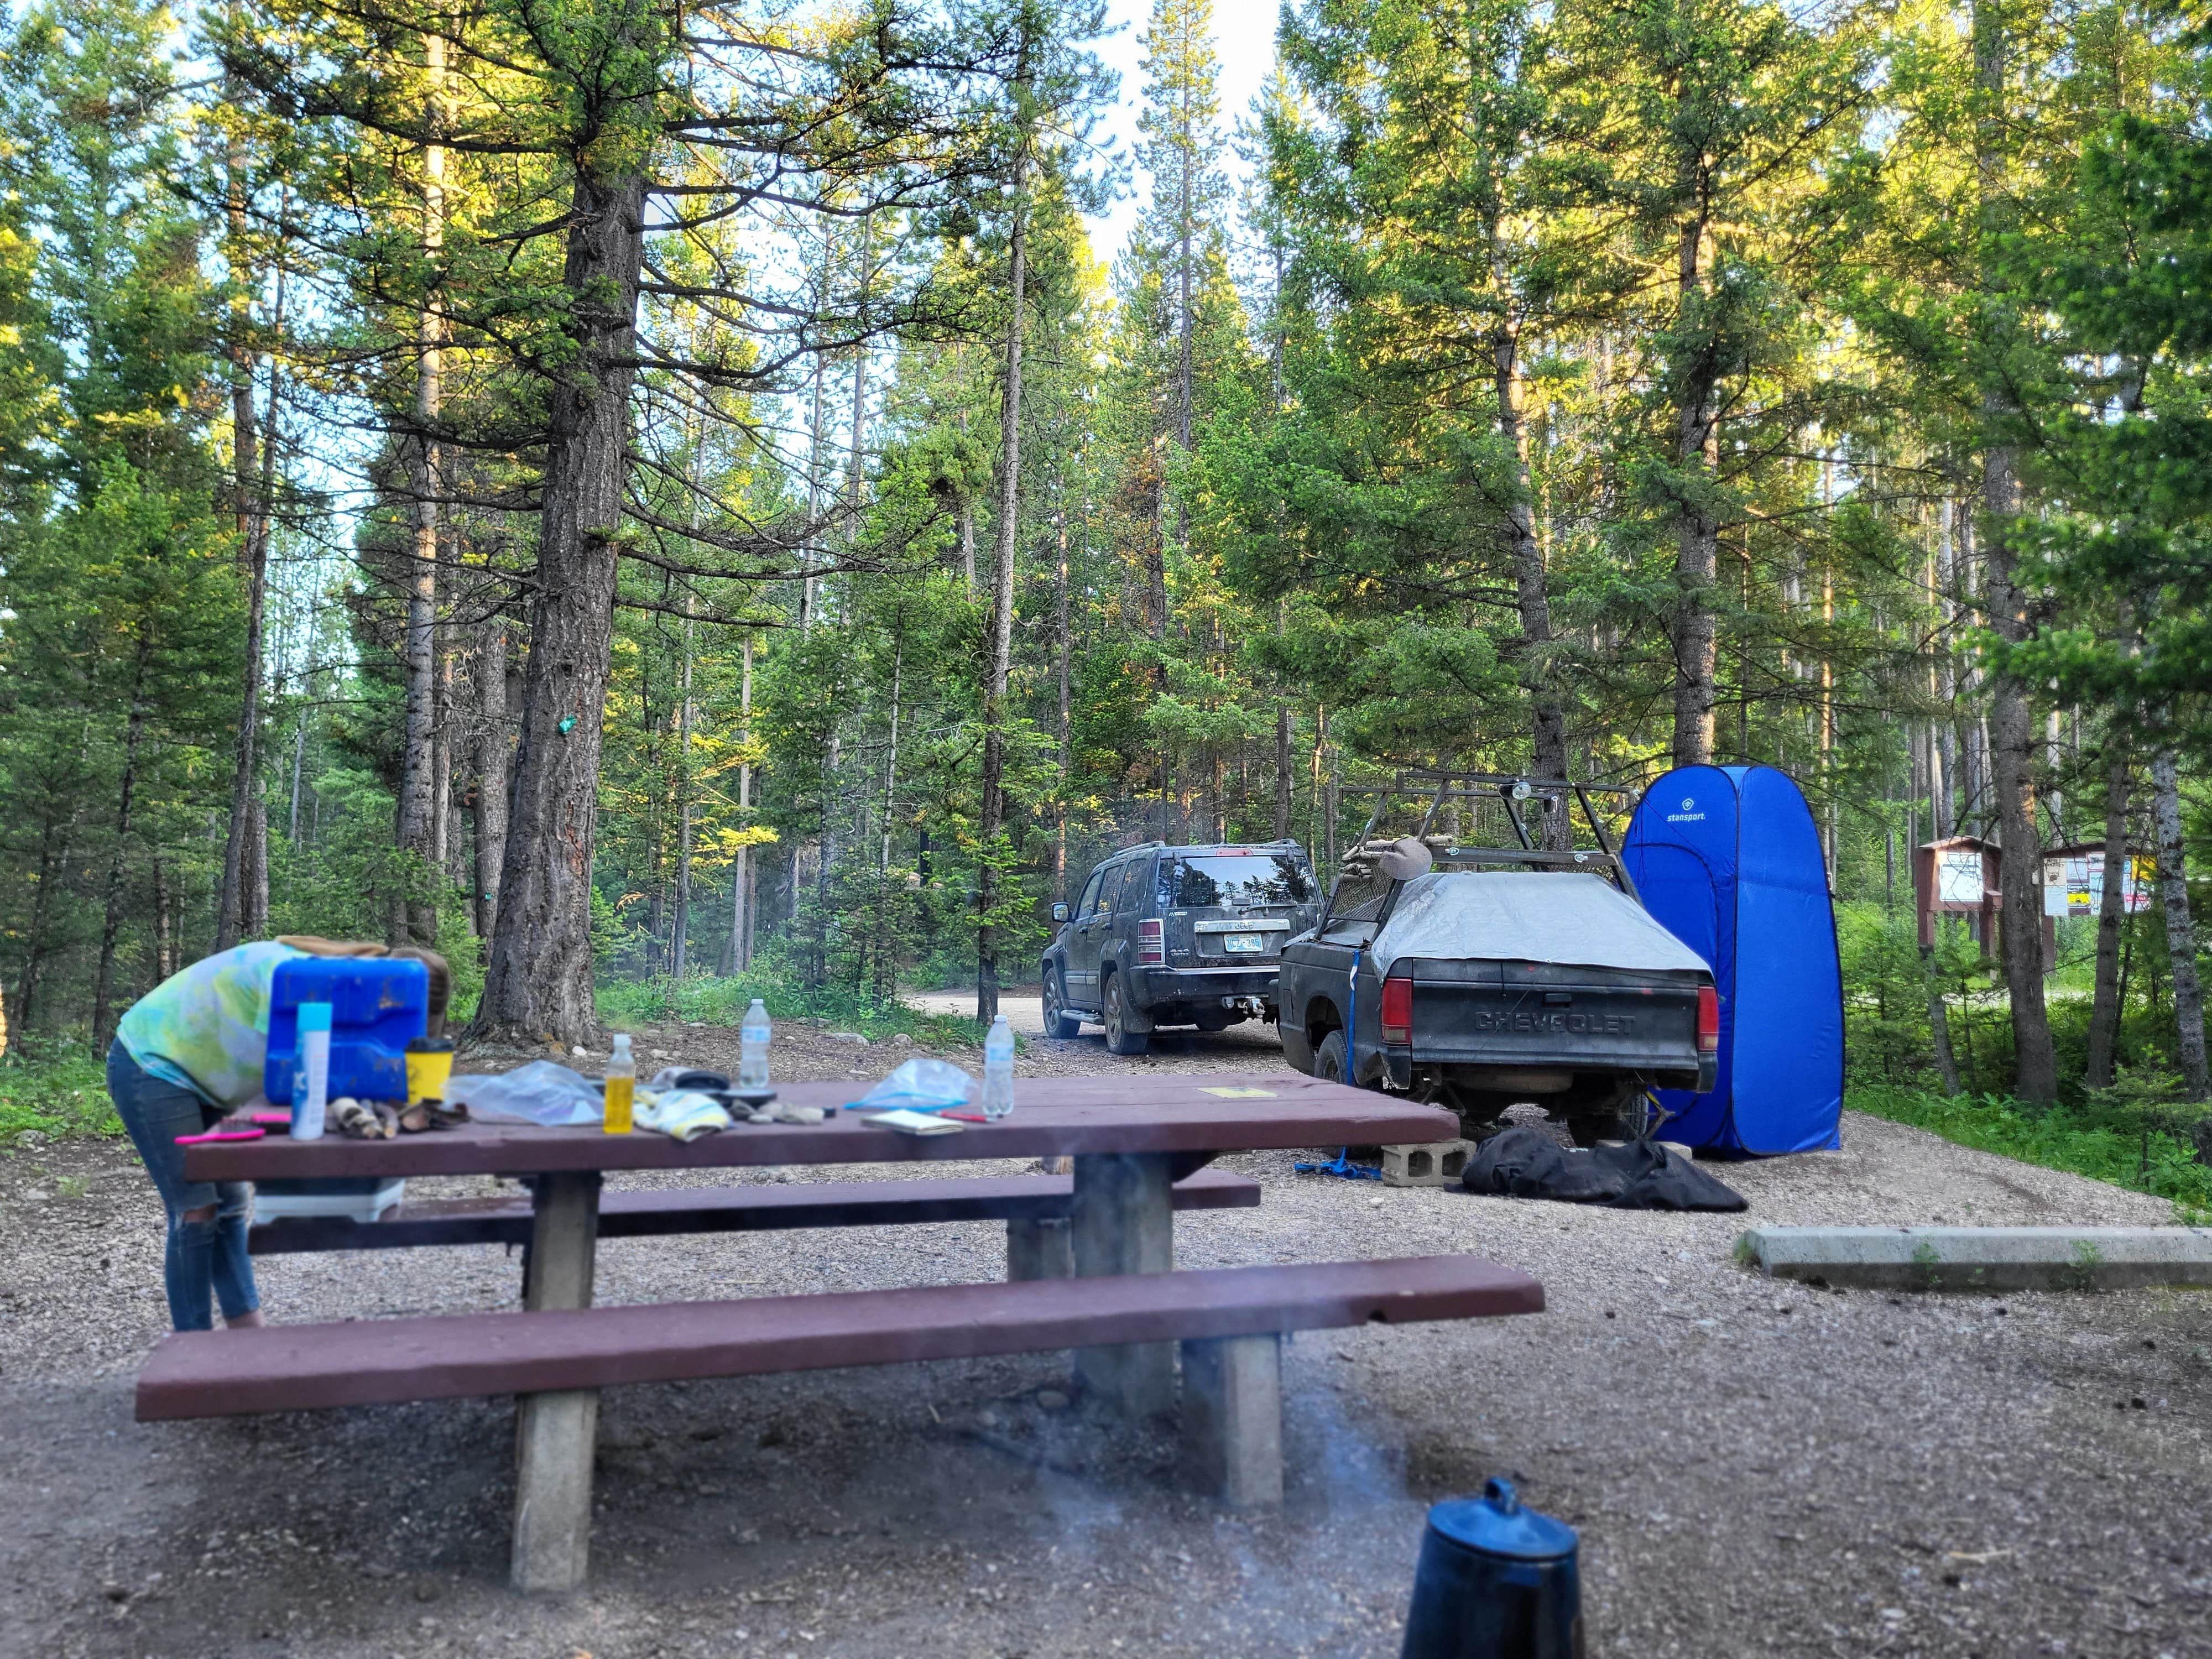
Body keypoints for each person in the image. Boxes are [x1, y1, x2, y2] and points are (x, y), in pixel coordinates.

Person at [109, 937, 450, 1333]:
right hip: (153, 1064)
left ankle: (247, 1328)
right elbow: (294, 1081)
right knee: (196, 1210)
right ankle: (193, 1347)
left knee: (230, 1204)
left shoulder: (343, 987)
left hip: (205, 1079)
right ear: (386, 992)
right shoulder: (294, 979)